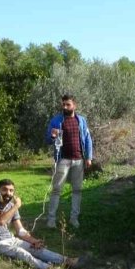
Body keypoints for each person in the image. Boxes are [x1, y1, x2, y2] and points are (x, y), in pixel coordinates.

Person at [0, 179, 79, 269]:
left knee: (36, 249)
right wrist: (16, 206)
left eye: (11, 191)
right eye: (4, 190)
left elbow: (20, 230)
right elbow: (1, 221)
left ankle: (67, 261)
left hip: (10, 239)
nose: (8, 193)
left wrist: (33, 241)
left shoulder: (11, 206)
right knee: (20, 252)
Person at [44, 94, 94, 229]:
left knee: (77, 190)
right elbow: (48, 140)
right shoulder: (56, 121)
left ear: (74, 105)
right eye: (63, 104)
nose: (65, 107)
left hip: (78, 161)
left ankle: (74, 219)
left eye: (68, 104)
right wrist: (52, 135)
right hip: (62, 160)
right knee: (56, 190)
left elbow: (88, 139)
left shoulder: (81, 120)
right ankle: (51, 220)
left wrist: (88, 157)